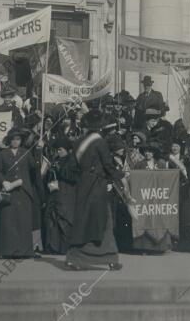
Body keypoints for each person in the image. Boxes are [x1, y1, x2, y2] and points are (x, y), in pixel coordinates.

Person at [66, 110, 125, 270]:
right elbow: (108, 166)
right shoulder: (100, 142)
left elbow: (71, 167)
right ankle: (110, 258)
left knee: (82, 221)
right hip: (98, 186)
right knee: (104, 222)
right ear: (99, 128)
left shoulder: (78, 142)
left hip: (83, 186)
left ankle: (75, 258)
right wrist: (121, 175)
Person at [0, 128, 39, 258]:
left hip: (23, 190)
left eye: (18, 139)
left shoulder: (26, 153)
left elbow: (34, 168)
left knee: (23, 221)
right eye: (13, 139)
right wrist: (3, 182)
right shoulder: (3, 154)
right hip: (8, 192)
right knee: (8, 221)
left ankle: (25, 251)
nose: (15, 142)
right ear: (9, 140)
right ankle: (7, 251)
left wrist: (39, 150)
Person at [43, 136, 77, 254]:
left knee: (65, 220)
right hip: (54, 193)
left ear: (67, 150)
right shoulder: (55, 160)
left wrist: (60, 170)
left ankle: (65, 248)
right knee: (53, 220)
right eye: (57, 150)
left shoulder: (72, 160)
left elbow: (74, 177)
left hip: (67, 194)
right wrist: (50, 172)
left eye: (60, 150)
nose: (58, 152)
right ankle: (53, 247)